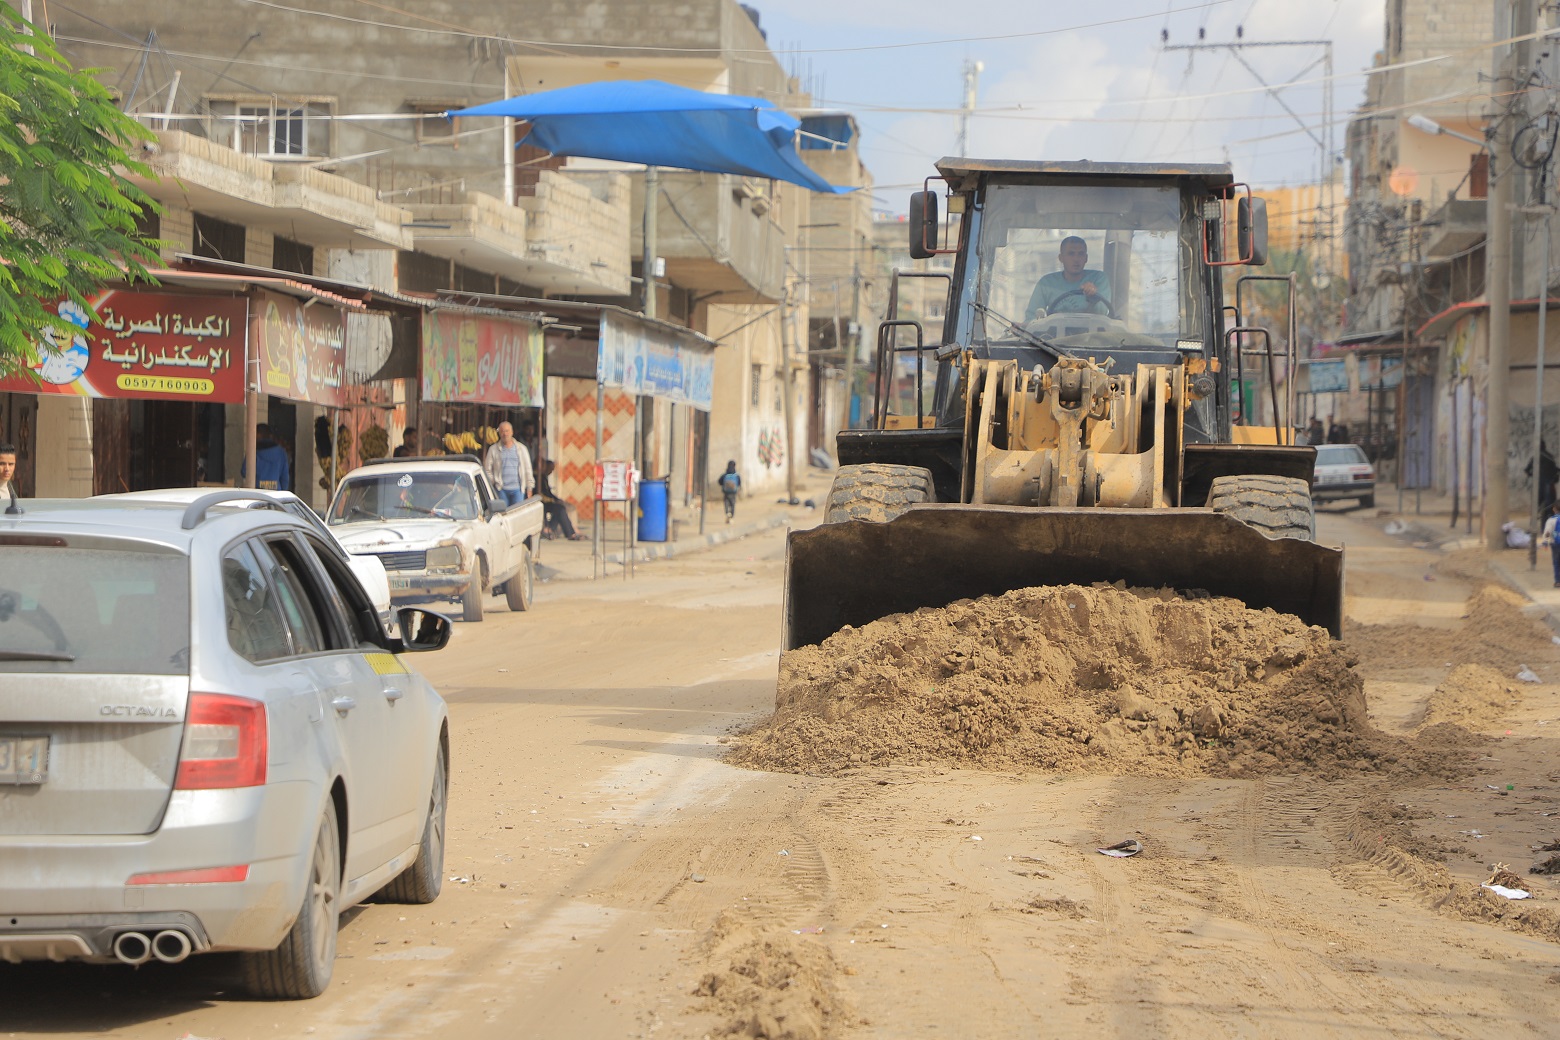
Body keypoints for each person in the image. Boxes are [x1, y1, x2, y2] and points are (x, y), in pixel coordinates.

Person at [1024, 236, 1112, 321]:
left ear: (1086, 258)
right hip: (1053, 336)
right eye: (1071, 254)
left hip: (1091, 335)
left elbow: (1103, 313)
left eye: (1080, 254)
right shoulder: (1046, 283)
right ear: (1061, 258)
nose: (1076, 259)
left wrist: (1093, 296)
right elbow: (1032, 319)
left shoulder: (1098, 279)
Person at [483, 421, 533, 508]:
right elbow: (487, 469)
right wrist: (494, 481)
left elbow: (527, 469)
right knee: (503, 515)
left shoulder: (521, 449)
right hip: (501, 490)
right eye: (502, 431)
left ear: (512, 432)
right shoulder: (493, 449)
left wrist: (529, 487)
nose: (505, 434)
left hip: (518, 489)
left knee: (517, 514)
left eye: (507, 431)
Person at [537, 458, 583, 540]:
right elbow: (541, 494)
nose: (551, 471)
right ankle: (569, 533)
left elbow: (549, 493)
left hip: (547, 501)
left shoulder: (543, 478)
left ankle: (553, 529)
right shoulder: (538, 478)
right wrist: (553, 501)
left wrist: (557, 499)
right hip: (541, 503)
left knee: (560, 508)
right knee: (559, 509)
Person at [242, 423, 291, 492]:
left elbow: (244, 472)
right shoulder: (281, 452)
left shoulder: (253, 451)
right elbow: (285, 478)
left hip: (257, 492)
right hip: (275, 493)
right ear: (270, 436)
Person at [1544, 501, 1560, 587]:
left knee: (1556, 562)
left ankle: (1558, 581)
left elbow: (1547, 532)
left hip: (1555, 544)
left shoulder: (1551, 520)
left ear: (1554, 509)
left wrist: (1545, 541)